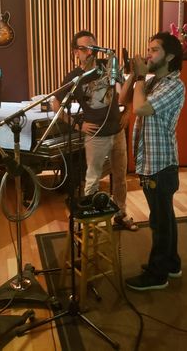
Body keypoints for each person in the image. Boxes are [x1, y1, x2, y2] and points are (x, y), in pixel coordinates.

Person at [52, 30, 138, 231]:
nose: (89, 52)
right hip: (95, 136)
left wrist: (128, 111)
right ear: (75, 52)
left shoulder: (108, 67)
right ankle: (89, 223)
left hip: (117, 132)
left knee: (120, 177)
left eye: (92, 47)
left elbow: (126, 91)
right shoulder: (74, 77)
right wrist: (77, 125)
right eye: (83, 49)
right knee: (92, 179)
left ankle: (120, 214)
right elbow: (55, 103)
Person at [120, 31, 185, 290]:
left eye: (154, 50)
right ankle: (172, 264)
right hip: (151, 162)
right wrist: (134, 76)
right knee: (165, 216)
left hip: (161, 164)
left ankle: (158, 275)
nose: (148, 54)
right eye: (148, 49)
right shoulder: (151, 82)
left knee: (160, 220)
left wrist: (138, 78)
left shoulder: (174, 84)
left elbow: (140, 109)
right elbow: (122, 99)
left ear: (169, 56)